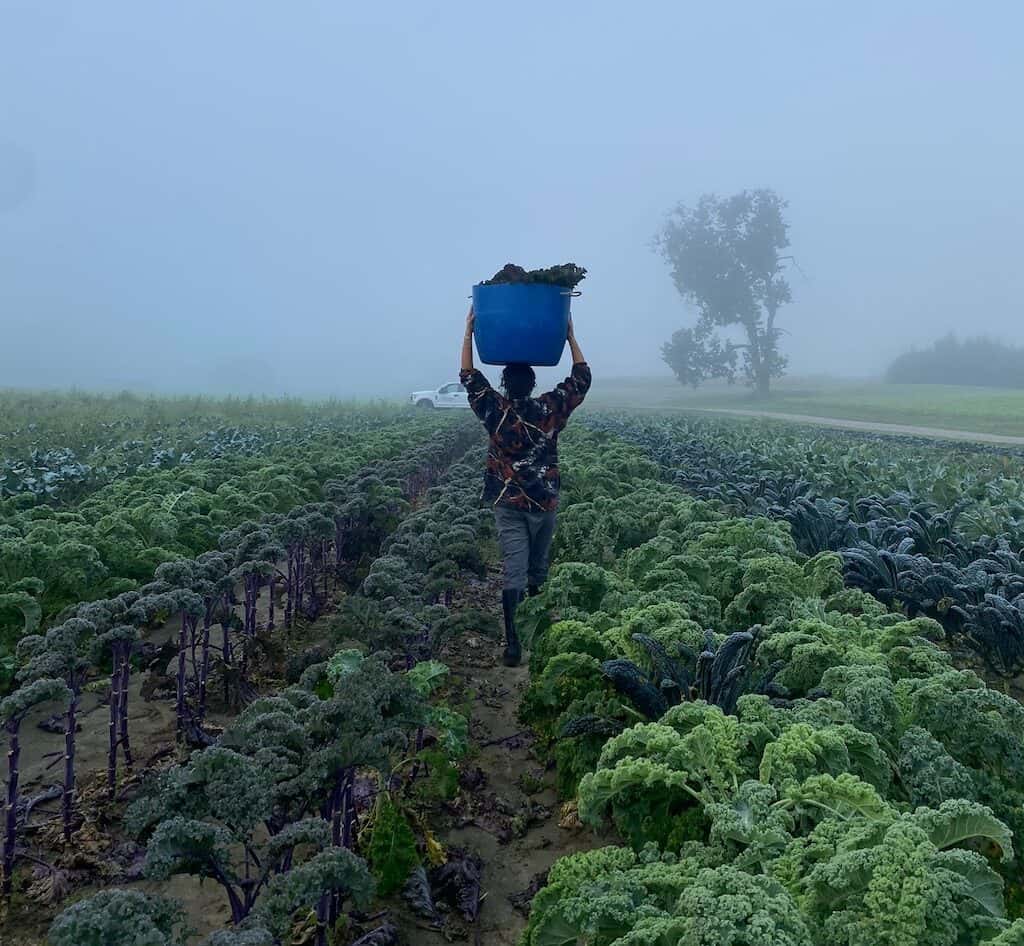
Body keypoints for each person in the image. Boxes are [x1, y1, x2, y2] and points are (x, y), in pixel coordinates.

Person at [459, 306, 592, 666]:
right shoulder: (549, 409)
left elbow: (469, 376)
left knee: (514, 571)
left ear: (504, 385)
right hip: (544, 503)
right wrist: (570, 337)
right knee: (538, 569)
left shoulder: (495, 411)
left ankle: (513, 646)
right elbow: (581, 378)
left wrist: (468, 332)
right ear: (533, 385)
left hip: (508, 503)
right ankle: (538, 634)